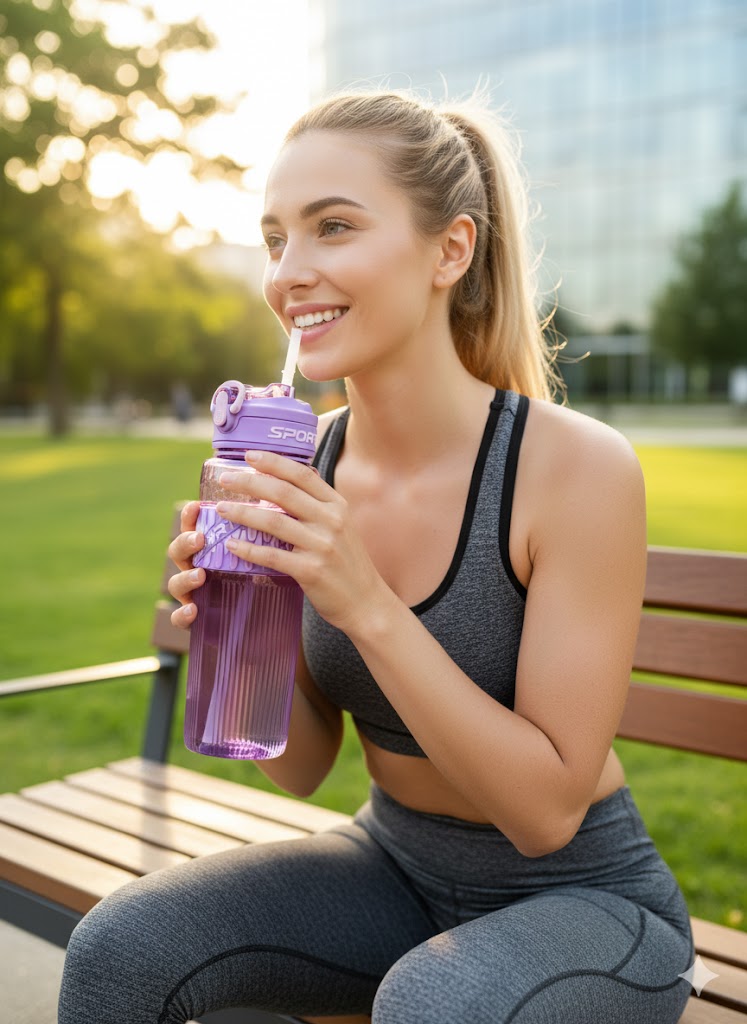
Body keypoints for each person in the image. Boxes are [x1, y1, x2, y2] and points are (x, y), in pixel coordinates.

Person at [58, 88, 695, 1024]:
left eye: (333, 227)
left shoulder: (574, 468)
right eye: (276, 238)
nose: (289, 273)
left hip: (585, 901)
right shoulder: (301, 462)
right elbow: (303, 767)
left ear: (451, 250)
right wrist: (235, 636)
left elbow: (544, 814)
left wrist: (363, 601)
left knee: (431, 1002)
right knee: (120, 951)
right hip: (391, 867)